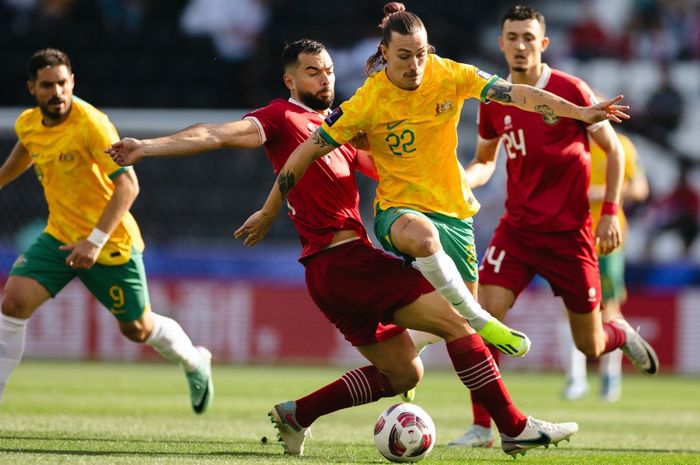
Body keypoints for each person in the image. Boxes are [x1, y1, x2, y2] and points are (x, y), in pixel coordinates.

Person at [107, 38, 578, 458]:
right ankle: (514, 428)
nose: (325, 77)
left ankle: (297, 415)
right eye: (313, 71)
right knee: (459, 322)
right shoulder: (280, 116)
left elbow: (392, 163)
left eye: (329, 69)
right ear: (290, 79)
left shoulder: (342, 127)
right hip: (345, 261)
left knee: (405, 375)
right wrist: (148, 147)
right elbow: (215, 133)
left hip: (332, 274)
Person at [449, 5, 659, 448]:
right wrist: (463, 184)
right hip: (518, 231)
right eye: (513, 36)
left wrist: (607, 215)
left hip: (570, 237)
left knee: (590, 346)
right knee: (483, 322)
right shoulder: (494, 97)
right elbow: (486, 161)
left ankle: (618, 333)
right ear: (502, 43)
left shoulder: (570, 90)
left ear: (542, 43)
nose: (520, 45)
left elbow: (615, 151)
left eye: (529, 37)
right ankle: (483, 427)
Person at [0, 48, 213, 414]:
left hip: (110, 242)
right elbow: (28, 146)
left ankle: (195, 361)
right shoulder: (28, 123)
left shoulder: (91, 125)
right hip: (59, 236)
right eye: (47, 85)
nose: (57, 93)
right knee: (12, 303)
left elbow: (128, 186)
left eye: (63, 84)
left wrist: (94, 242)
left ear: (73, 83)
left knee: (137, 329)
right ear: (32, 88)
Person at [561, 131, 649, 402]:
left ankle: (611, 378)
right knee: (571, 308)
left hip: (609, 239)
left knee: (609, 307)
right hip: (575, 237)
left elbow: (640, 189)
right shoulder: (572, 146)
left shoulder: (622, 145)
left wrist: (603, 192)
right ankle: (575, 378)